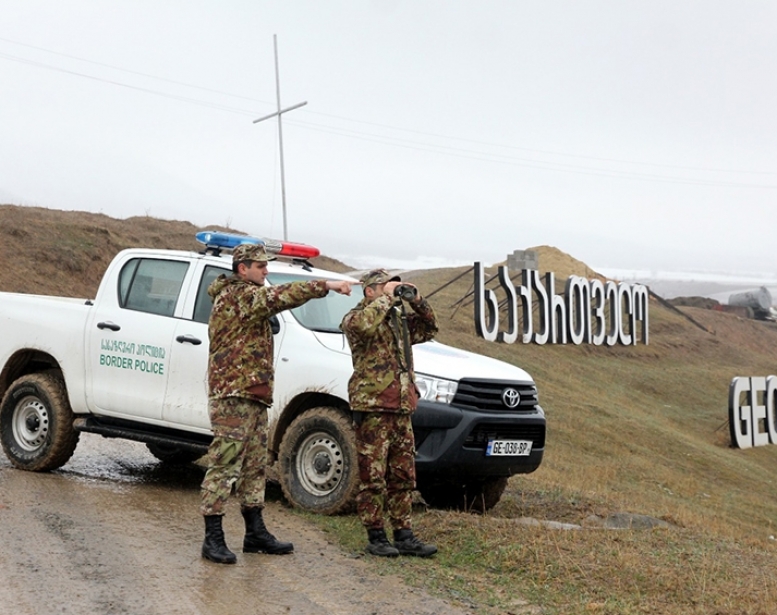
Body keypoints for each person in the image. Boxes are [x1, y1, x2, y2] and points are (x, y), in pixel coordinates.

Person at [200, 243, 352, 564]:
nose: (266, 271)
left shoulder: (247, 297)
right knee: (224, 464)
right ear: (243, 269)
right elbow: (280, 296)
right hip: (232, 397)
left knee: (255, 466)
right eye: (261, 266)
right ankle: (212, 537)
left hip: (253, 395)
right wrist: (324, 285)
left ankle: (255, 532)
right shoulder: (236, 296)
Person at [340, 268, 439, 558]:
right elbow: (366, 326)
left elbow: (430, 328)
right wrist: (386, 298)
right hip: (372, 407)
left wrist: (417, 300)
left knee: (403, 475)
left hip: (401, 406)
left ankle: (404, 534)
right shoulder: (355, 318)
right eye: (383, 286)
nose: (391, 290)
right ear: (369, 291)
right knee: (373, 476)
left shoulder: (398, 322)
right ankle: (375, 535)